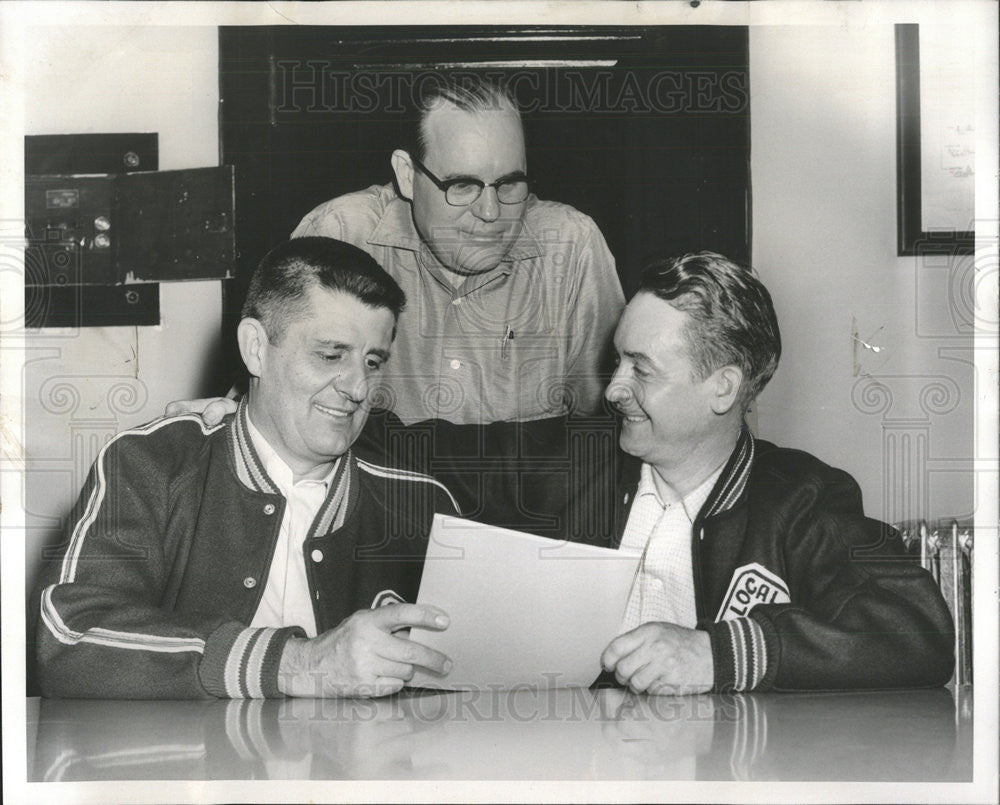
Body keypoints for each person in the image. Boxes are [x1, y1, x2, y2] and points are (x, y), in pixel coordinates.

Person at [35, 238, 460, 700]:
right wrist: (296, 664)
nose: (358, 387)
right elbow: (68, 637)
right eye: (330, 355)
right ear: (255, 348)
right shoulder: (151, 465)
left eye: (372, 362)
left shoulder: (422, 504)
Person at [597, 251, 954, 694]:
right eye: (617, 361)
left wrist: (717, 655)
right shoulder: (566, 469)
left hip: (723, 758)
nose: (613, 388)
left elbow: (918, 634)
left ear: (722, 389)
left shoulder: (802, 496)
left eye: (641, 369)